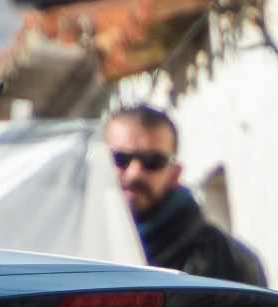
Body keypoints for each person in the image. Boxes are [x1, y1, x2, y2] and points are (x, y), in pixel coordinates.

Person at [105, 105, 268, 287]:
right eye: (119, 159)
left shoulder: (230, 261)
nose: (134, 173)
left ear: (175, 174)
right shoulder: (72, 248)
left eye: (153, 162)